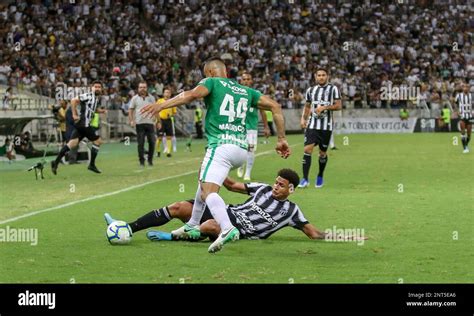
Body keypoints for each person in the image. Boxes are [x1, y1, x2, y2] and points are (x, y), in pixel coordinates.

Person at [140, 57, 290, 253]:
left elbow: (192, 95)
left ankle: (227, 228)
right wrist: (281, 139)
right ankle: (193, 223)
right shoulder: (246, 91)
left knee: (208, 192)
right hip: (240, 150)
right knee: (203, 179)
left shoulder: (211, 82)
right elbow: (275, 107)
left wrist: (162, 105)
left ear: (210, 72)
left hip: (221, 145)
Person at [105, 169, 366, 245]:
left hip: (237, 230)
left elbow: (313, 233)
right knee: (179, 207)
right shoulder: (261, 188)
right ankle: (128, 227)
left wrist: (345, 235)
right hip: (227, 212)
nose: (275, 187)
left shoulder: (292, 212)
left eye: (281, 185)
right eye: (276, 182)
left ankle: (171, 237)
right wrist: (212, 167)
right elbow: (230, 185)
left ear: (291, 190)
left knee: (208, 225)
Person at [299, 67, 342, 188]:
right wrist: (303, 118)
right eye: (319, 75)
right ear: (315, 77)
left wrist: (324, 107)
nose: (321, 77)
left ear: (327, 76)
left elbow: (338, 106)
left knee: (322, 153)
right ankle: (305, 179)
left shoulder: (334, 89)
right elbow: (307, 106)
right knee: (307, 150)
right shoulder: (310, 90)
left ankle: (320, 176)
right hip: (312, 125)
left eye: (323, 75)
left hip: (326, 127)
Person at [51, 81, 106, 174]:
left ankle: (55, 162)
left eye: (99, 87)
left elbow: (93, 109)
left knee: (72, 144)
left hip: (82, 124)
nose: (97, 88)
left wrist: (102, 111)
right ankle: (91, 165)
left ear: (101, 89)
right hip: (84, 124)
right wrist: (74, 114)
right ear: (91, 88)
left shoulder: (95, 99)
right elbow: (73, 101)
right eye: (95, 86)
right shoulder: (88, 95)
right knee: (98, 141)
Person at [236, 72, 270, 181]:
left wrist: (266, 127)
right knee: (239, 149)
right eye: (244, 79)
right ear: (240, 81)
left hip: (251, 128)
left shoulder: (256, 94)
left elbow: (263, 112)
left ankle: (248, 173)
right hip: (238, 127)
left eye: (248, 79)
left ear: (251, 81)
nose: (246, 81)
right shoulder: (236, 93)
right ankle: (241, 164)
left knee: (250, 150)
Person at [129, 82, 156, 167]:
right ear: (138, 88)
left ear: (147, 88)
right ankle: (141, 162)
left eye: (144, 87)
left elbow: (156, 109)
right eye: (140, 87)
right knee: (140, 143)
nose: (142, 89)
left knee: (152, 142)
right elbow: (130, 110)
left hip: (150, 123)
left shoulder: (151, 98)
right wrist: (131, 120)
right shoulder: (134, 98)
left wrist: (158, 121)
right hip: (139, 123)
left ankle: (150, 160)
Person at [155, 88, 175, 158]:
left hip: (168, 121)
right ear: (163, 94)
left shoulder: (172, 102)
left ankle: (168, 152)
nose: (167, 94)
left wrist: (171, 115)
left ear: (170, 94)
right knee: (159, 137)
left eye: (168, 92)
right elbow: (156, 111)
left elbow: (174, 112)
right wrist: (157, 121)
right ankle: (158, 152)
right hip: (161, 120)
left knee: (169, 137)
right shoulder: (159, 101)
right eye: (166, 92)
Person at [454, 83, 472, 153]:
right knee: (463, 131)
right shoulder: (459, 95)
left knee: (469, 134)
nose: (466, 88)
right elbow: (455, 103)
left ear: (469, 88)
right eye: (464, 87)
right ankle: (464, 148)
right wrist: (457, 111)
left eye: (467, 87)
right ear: (463, 88)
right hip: (462, 115)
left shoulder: (472, 96)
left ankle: (466, 144)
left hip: (470, 115)